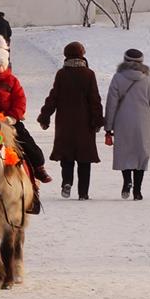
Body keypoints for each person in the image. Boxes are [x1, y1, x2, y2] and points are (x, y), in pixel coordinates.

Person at [0, 35, 49, 213]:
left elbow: (20, 101)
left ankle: (34, 180)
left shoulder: (12, 81)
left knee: (32, 151)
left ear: (5, 65)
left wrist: (12, 117)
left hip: (11, 123)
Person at [37, 41, 104, 199]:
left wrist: (45, 116)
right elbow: (95, 99)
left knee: (67, 156)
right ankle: (83, 193)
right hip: (84, 124)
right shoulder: (89, 74)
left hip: (65, 123)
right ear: (82, 55)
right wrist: (97, 120)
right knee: (84, 159)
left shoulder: (62, 74)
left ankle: (67, 182)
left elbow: (53, 97)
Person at [104, 47, 150, 200]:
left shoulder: (118, 78)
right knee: (140, 155)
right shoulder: (149, 80)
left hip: (122, 122)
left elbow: (111, 104)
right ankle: (137, 190)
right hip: (143, 123)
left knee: (125, 153)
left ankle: (126, 182)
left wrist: (108, 127)